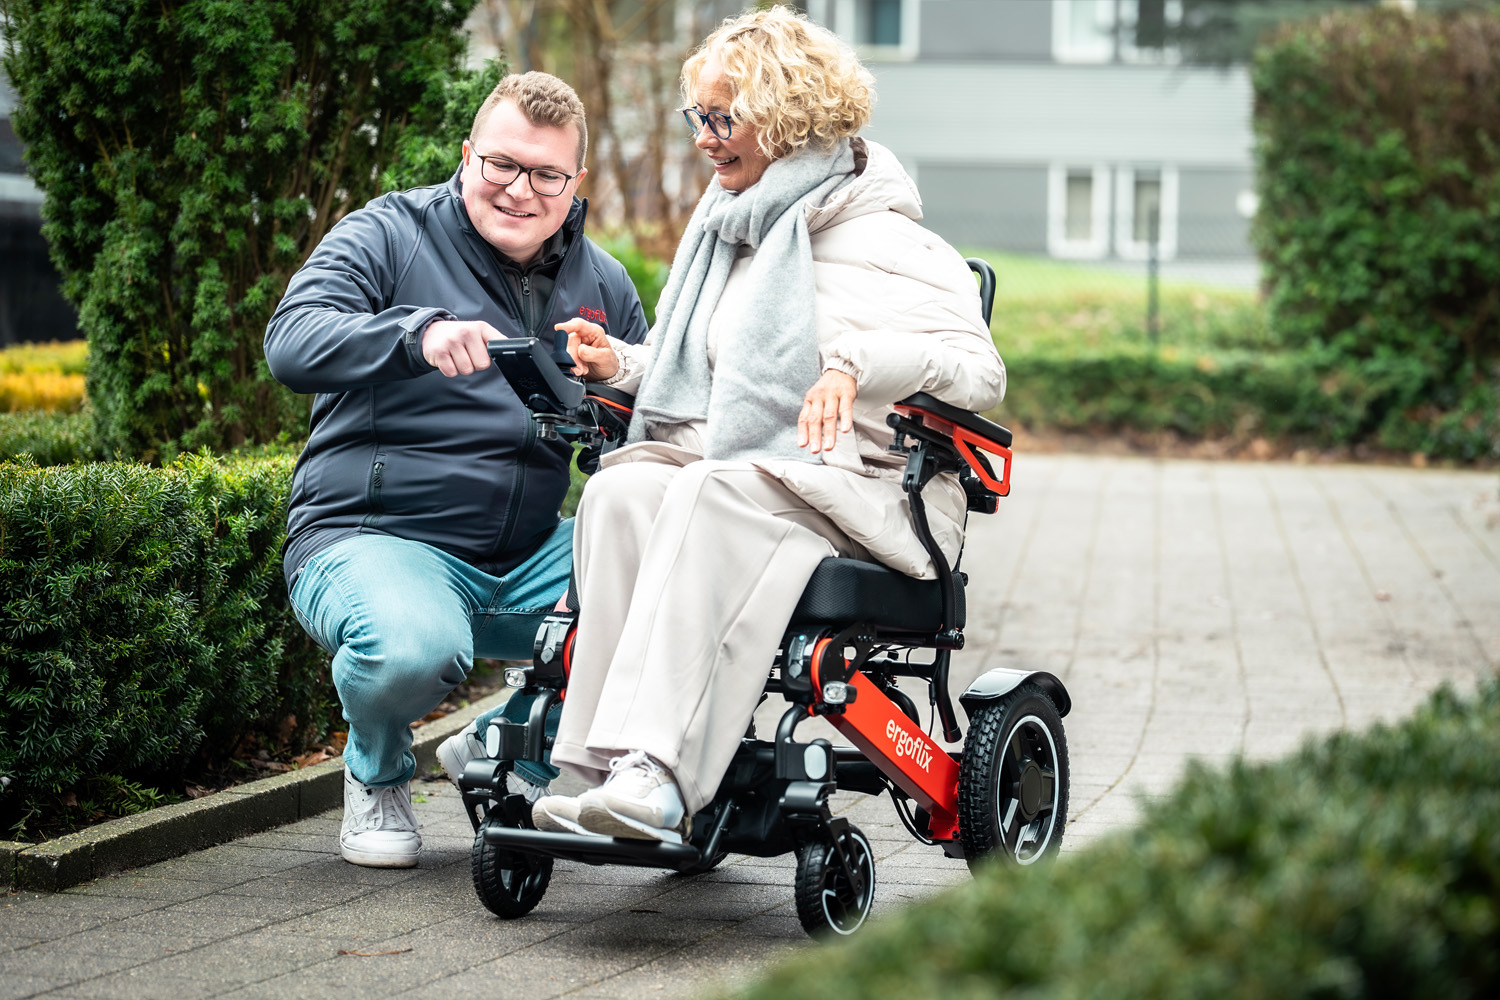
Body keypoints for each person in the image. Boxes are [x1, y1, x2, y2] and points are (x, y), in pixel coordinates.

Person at [533, 6, 1005, 843]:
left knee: (709, 492)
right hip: (764, 470)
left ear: (788, 120)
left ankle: (661, 776)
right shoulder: (739, 231)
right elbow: (732, 380)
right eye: (699, 117)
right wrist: (628, 367)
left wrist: (856, 363)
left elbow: (979, 374)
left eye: (725, 118)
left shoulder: (895, 242)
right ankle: (588, 765)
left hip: (868, 491)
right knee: (625, 490)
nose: (706, 139)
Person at [264, 72, 648, 868]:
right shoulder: (388, 234)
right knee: (411, 647)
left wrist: (609, 392)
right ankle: (377, 773)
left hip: (529, 551)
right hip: (374, 537)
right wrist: (414, 335)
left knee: (674, 593)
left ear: (575, 183)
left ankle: (502, 744)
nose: (519, 191)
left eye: (546, 175)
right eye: (502, 165)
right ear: (468, 155)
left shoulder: (604, 283)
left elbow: (648, 431)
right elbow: (292, 341)